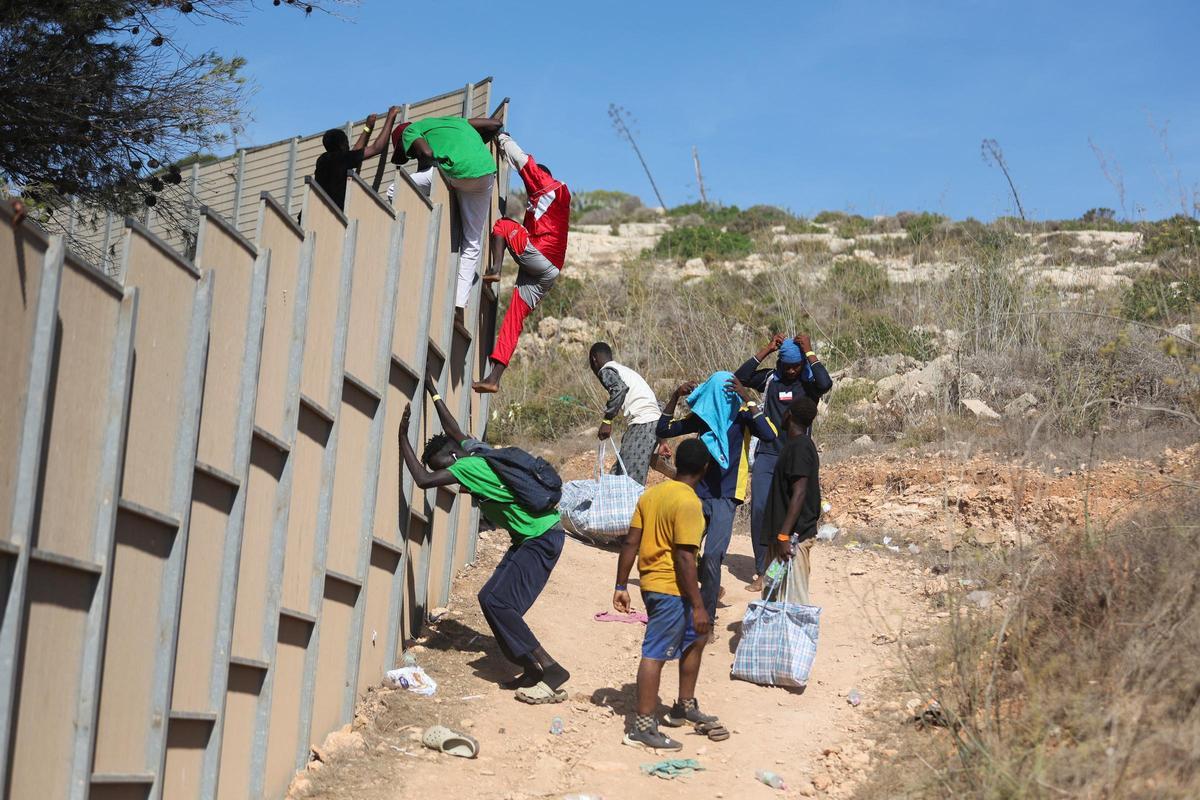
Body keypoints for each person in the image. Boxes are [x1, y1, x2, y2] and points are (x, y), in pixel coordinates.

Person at [398, 378, 570, 704]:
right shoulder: (477, 449)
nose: (451, 476)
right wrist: (434, 393)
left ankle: (550, 668)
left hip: (541, 538)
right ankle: (530, 668)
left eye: (445, 467)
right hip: (530, 537)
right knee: (490, 597)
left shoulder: (469, 465)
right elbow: (453, 428)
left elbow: (422, 479)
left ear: (453, 456)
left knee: (500, 603)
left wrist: (402, 438)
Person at [613, 439, 729, 749]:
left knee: (696, 638)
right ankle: (642, 727)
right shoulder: (689, 503)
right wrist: (699, 605)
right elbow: (684, 558)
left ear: (678, 463)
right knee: (655, 654)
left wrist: (622, 585)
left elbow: (630, 543)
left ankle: (684, 706)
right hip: (670, 590)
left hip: (654, 585)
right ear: (705, 469)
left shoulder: (652, 495)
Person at [655, 372, 775, 624]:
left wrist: (748, 397)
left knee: (713, 555)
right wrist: (675, 395)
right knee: (683, 548)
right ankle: (693, 599)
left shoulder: (743, 416)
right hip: (698, 493)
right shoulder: (703, 418)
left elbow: (768, 435)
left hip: (726, 496)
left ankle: (705, 618)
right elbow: (663, 428)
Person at [473, 133, 571, 393]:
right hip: (548, 272)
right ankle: (493, 378)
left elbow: (523, 162)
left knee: (503, 225)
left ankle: (494, 271)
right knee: (513, 319)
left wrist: (503, 140)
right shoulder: (545, 207)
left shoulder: (549, 187)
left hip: (541, 258)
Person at [733, 333, 832, 591]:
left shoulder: (808, 381)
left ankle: (777, 571)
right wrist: (766, 349)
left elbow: (825, 381)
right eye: (786, 365)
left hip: (796, 457)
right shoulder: (770, 378)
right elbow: (740, 377)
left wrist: (809, 351)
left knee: (791, 516)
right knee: (761, 511)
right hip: (767, 453)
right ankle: (762, 571)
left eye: (795, 365)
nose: (790, 370)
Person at [391, 108, 504, 316]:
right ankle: (459, 308)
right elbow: (495, 124)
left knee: (394, 188)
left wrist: (430, 165)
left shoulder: (411, 130)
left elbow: (426, 153)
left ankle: (403, 221)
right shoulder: (457, 122)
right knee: (472, 242)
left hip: (454, 172)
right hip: (485, 172)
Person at [761, 396, 822, 605]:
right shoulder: (793, 445)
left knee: (794, 603)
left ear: (788, 415)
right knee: (773, 595)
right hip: (783, 540)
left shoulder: (801, 448)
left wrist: (784, 535)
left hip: (792, 540)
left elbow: (800, 492)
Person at [585, 342, 667, 485]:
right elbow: (657, 405)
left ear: (594, 360)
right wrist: (661, 439)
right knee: (617, 475)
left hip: (643, 425)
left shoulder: (606, 371)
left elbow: (619, 389)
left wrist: (607, 421)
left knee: (630, 482)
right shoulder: (624, 371)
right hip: (648, 423)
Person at [313, 106, 399, 211]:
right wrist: (390, 117)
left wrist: (368, 128)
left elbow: (353, 154)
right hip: (332, 215)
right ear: (342, 145)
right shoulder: (341, 158)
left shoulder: (324, 160)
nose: (348, 145)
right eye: (346, 142)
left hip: (314, 213)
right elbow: (377, 148)